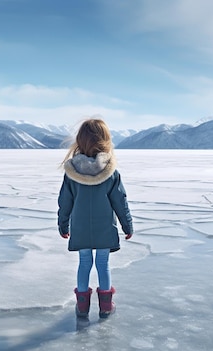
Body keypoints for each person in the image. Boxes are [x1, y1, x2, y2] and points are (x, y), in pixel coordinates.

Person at [57, 118, 133, 319]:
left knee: (84, 263)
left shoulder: (72, 173)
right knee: (102, 263)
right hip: (104, 228)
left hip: (80, 228)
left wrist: (63, 224)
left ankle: (82, 307)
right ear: (105, 140)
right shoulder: (111, 173)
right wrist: (127, 226)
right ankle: (106, 306)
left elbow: (65, 202)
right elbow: (120, 202)